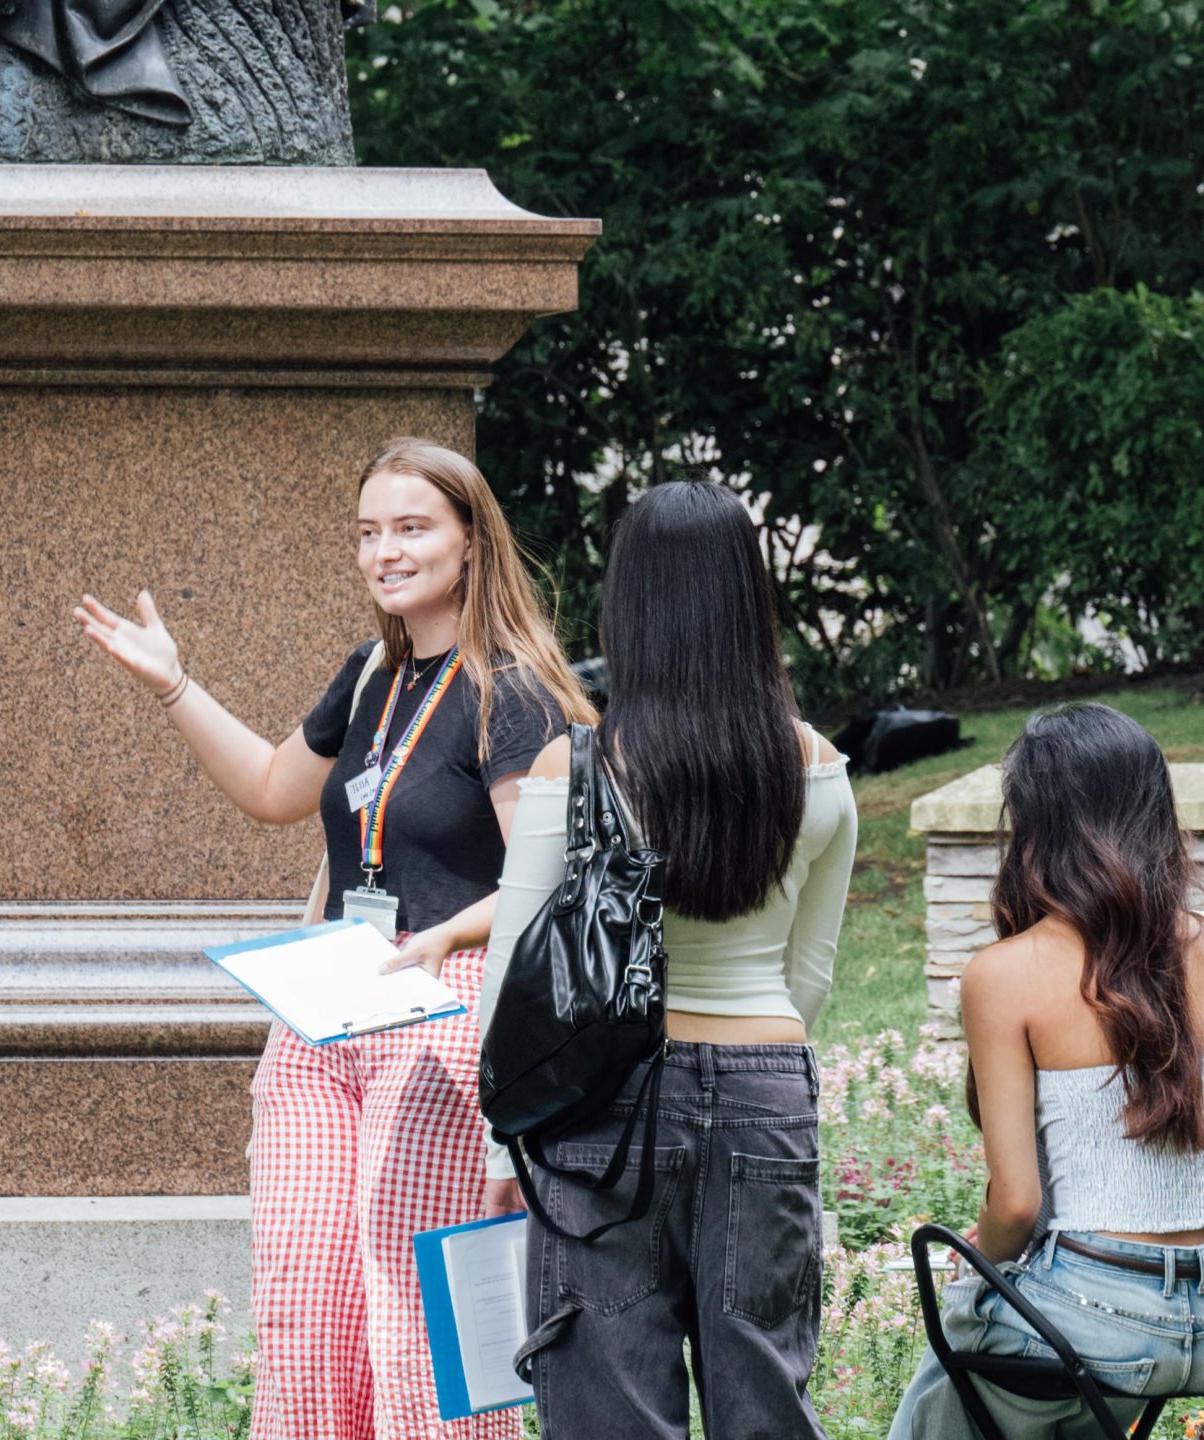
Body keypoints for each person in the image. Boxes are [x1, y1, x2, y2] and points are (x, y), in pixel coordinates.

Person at [76, 436, 589, 1440]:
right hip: (327, 1019)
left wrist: (444, 936)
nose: (383, 552)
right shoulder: (370, 675)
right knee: (305, 1314)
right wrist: (175, 688)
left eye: (410, 528)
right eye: (367, 533)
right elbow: (274, 790)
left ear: (470, 543)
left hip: (445, 1013)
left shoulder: (511, 687)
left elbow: (549, 875)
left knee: (418, 1332)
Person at [482, 481, 855, 1437]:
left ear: (631, 606)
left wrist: (501, 1141)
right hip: (766, 1091)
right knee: (765, 1398)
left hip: (602, 1107)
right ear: (748, 599)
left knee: (610, 1406)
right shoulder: (817, 768)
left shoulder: (575, 771)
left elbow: (520, 971)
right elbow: (807, 976)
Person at [889, 704, 1204, 1438]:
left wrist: (972, 1281)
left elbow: (1017, 1206)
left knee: (950, 1381)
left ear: (1035, 823)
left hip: (1097, 1321)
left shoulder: (1005, 976)